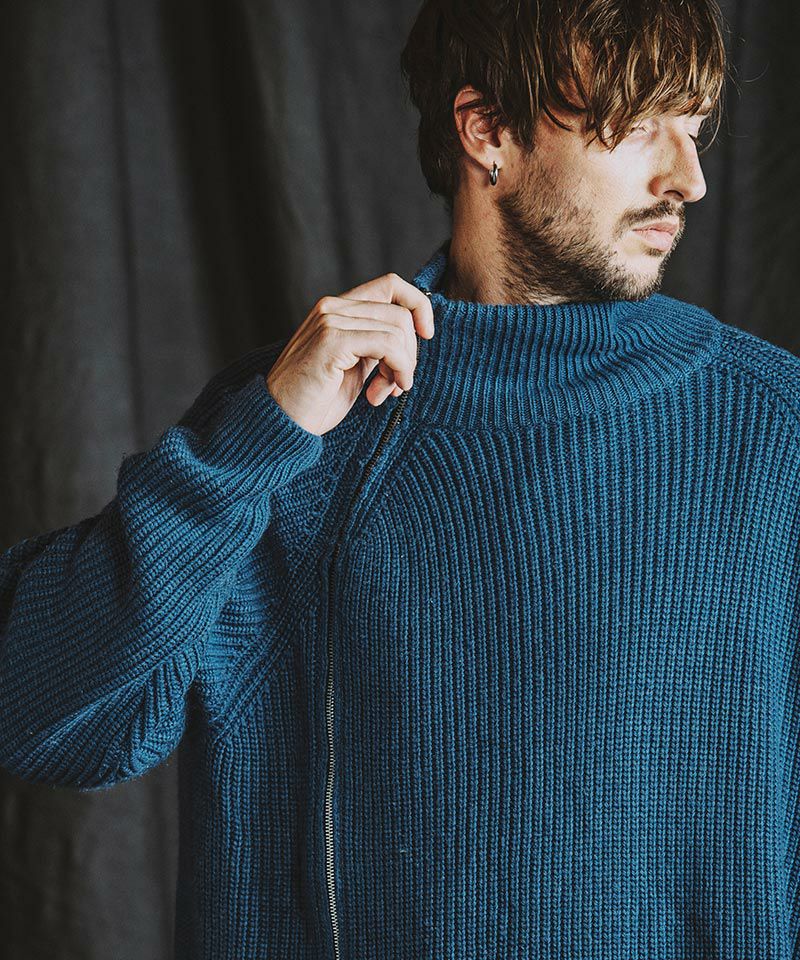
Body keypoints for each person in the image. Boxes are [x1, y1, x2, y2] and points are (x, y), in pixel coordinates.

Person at [1, 0, 799, 957]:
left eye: (695, 127)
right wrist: (254, 441)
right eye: (637, 125)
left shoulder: (777, 430)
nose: (689, 178)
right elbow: (41, 717)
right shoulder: (294, 428)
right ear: (487, 130)